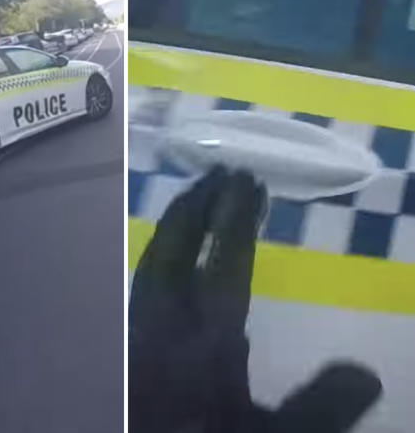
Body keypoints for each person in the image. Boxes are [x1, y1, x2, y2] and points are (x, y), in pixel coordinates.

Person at [129, 167, 383, 432]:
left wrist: (354, 393)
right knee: (172, 269)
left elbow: (351, 387)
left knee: (209, 269)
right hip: (171, 366)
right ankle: (222, 187)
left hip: (206, 370)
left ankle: (234, 189)